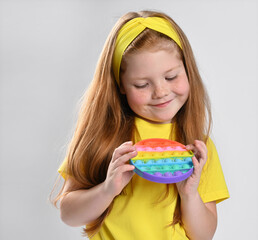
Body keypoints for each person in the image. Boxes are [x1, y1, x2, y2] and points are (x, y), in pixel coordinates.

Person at [52, 10, 230, 240]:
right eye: (142, 84)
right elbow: (69, 215)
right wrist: (107, 189)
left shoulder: (198, 147)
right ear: (121, 85)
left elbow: (203, 235)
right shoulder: (103, 136)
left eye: (171, 77)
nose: (161, 92)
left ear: (187, 69)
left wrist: (189, 194)